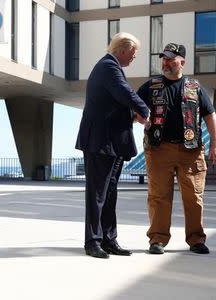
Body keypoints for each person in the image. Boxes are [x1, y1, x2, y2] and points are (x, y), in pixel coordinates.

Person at [136, 43, 216, 255]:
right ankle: (157, 239)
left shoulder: (194, 86)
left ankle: (196, 240)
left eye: (170, 58)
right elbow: (134, 108)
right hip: (158, 150)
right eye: (163, 58)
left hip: (190, 151)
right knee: (158, 196)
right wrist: (140, 118)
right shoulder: (151, 85)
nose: (165, 62)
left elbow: (211, 116)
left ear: (182, 62)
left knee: (193, 197)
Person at [75, 32, 150, 259]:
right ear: (123, 49)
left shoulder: (111, 67)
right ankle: (92, 242)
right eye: (134, 54)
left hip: (111, 143)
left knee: (109, 193)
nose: (133, 58)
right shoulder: (108, 66)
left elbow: (116, 100)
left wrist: (132, 113)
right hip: (100, 142)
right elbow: (123, 92)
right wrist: (143, 111)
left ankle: (109, 239)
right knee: (97, 194)